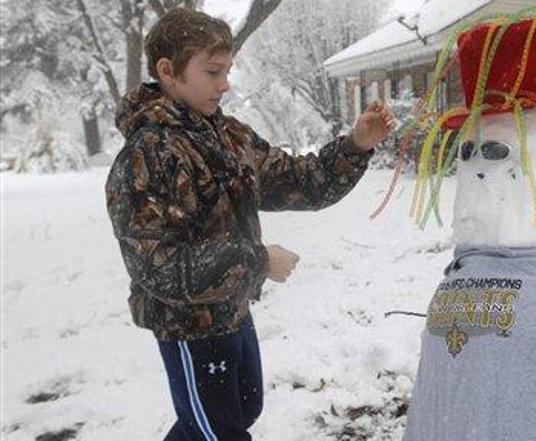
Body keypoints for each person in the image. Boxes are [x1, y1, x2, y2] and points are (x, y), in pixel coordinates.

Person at [105, 8, 393, 440]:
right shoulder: (147, 157)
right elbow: (157, 267)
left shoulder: (228, 137)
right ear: (168, 71)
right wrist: (257, 261)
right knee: (218, 431)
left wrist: (355, 147)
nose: (225, 84)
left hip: (233, 308)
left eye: (228, 71)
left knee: (241, 408)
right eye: (213, 72)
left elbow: (300, 181)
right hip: (188, 325)